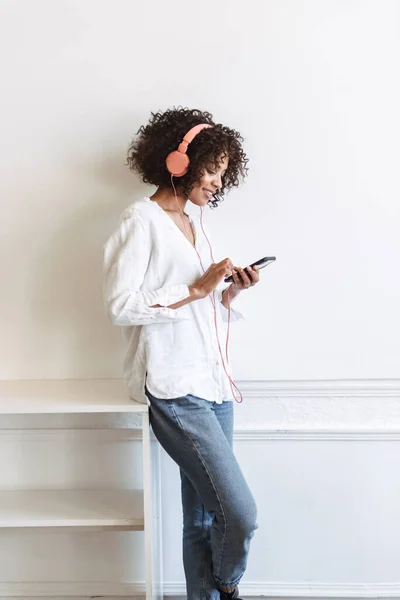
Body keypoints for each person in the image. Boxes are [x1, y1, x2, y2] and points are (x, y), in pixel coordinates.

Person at [103, 107, 260, 600]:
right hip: (174, 387)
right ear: (179, 160)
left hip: (213, 384)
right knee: (241, 514)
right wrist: (195, 289)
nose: (216, 182)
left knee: (203, 517)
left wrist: (227, 294)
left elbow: (200, 303)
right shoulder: (140, 221)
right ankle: (227, 584)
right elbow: (120, 305)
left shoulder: (196, 225)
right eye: (211, 170)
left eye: (221, 173)